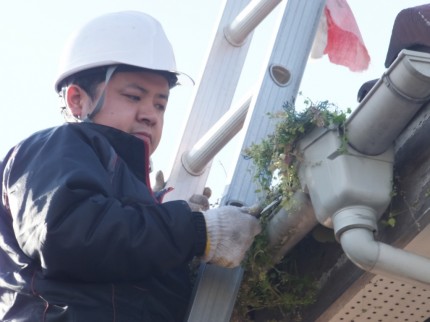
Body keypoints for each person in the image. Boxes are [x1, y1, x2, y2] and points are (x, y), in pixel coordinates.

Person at [0, 11, 261, 321]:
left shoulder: (129, 190)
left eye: (160, 104)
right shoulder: (54, 147)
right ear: (77, 100)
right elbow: (67, 232)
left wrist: (183, 244)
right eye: (134, 96)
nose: (150, 114)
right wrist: (194, 231)